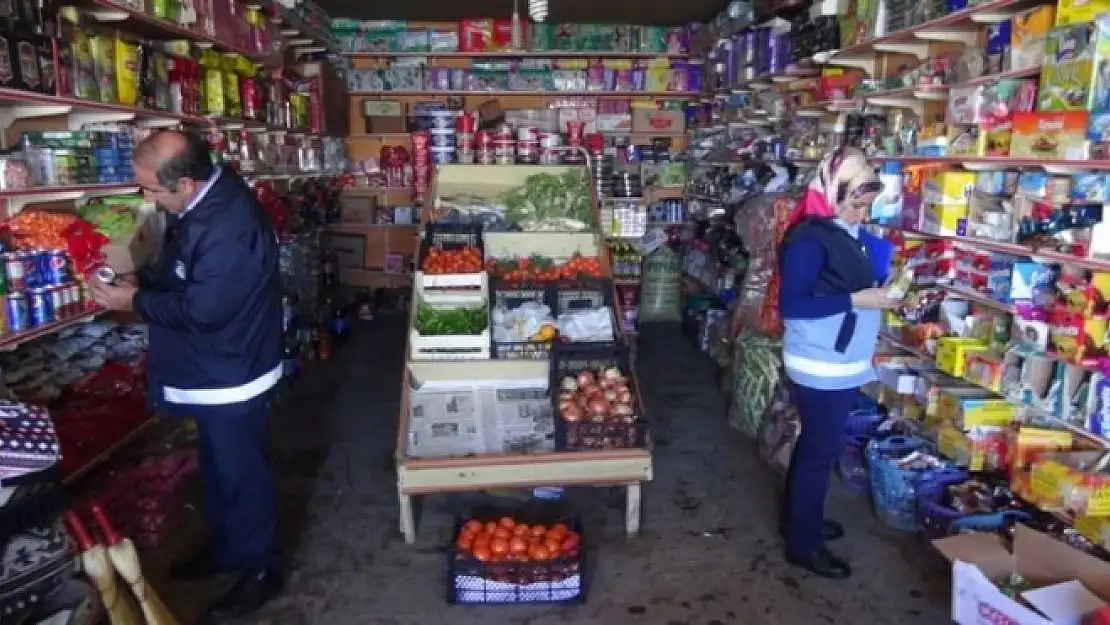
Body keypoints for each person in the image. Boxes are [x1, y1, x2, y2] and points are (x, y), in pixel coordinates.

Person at [88, 130, 284, 618]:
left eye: (151, 189)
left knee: (242, 475)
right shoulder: (200, 206)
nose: (146, 198)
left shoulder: (230, 226)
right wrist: (145, 280)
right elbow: (183, 271)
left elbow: (205, 308)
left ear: (188, 182)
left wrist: (134, 302)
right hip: (212, 368)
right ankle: (229, 549)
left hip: (232, 370)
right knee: (218, 470)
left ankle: (260, 567)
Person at [777, 147, 900, 579]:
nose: (861, 206)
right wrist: (855, 299)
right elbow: (792, 305)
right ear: (831, 190)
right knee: (817, 453)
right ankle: (802, 544)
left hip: (839, 360)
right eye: (854, 196)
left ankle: (800, 519)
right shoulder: (809, 238)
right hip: (820, 364)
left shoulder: (844, 230)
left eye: (867, 197)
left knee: (815, 448)